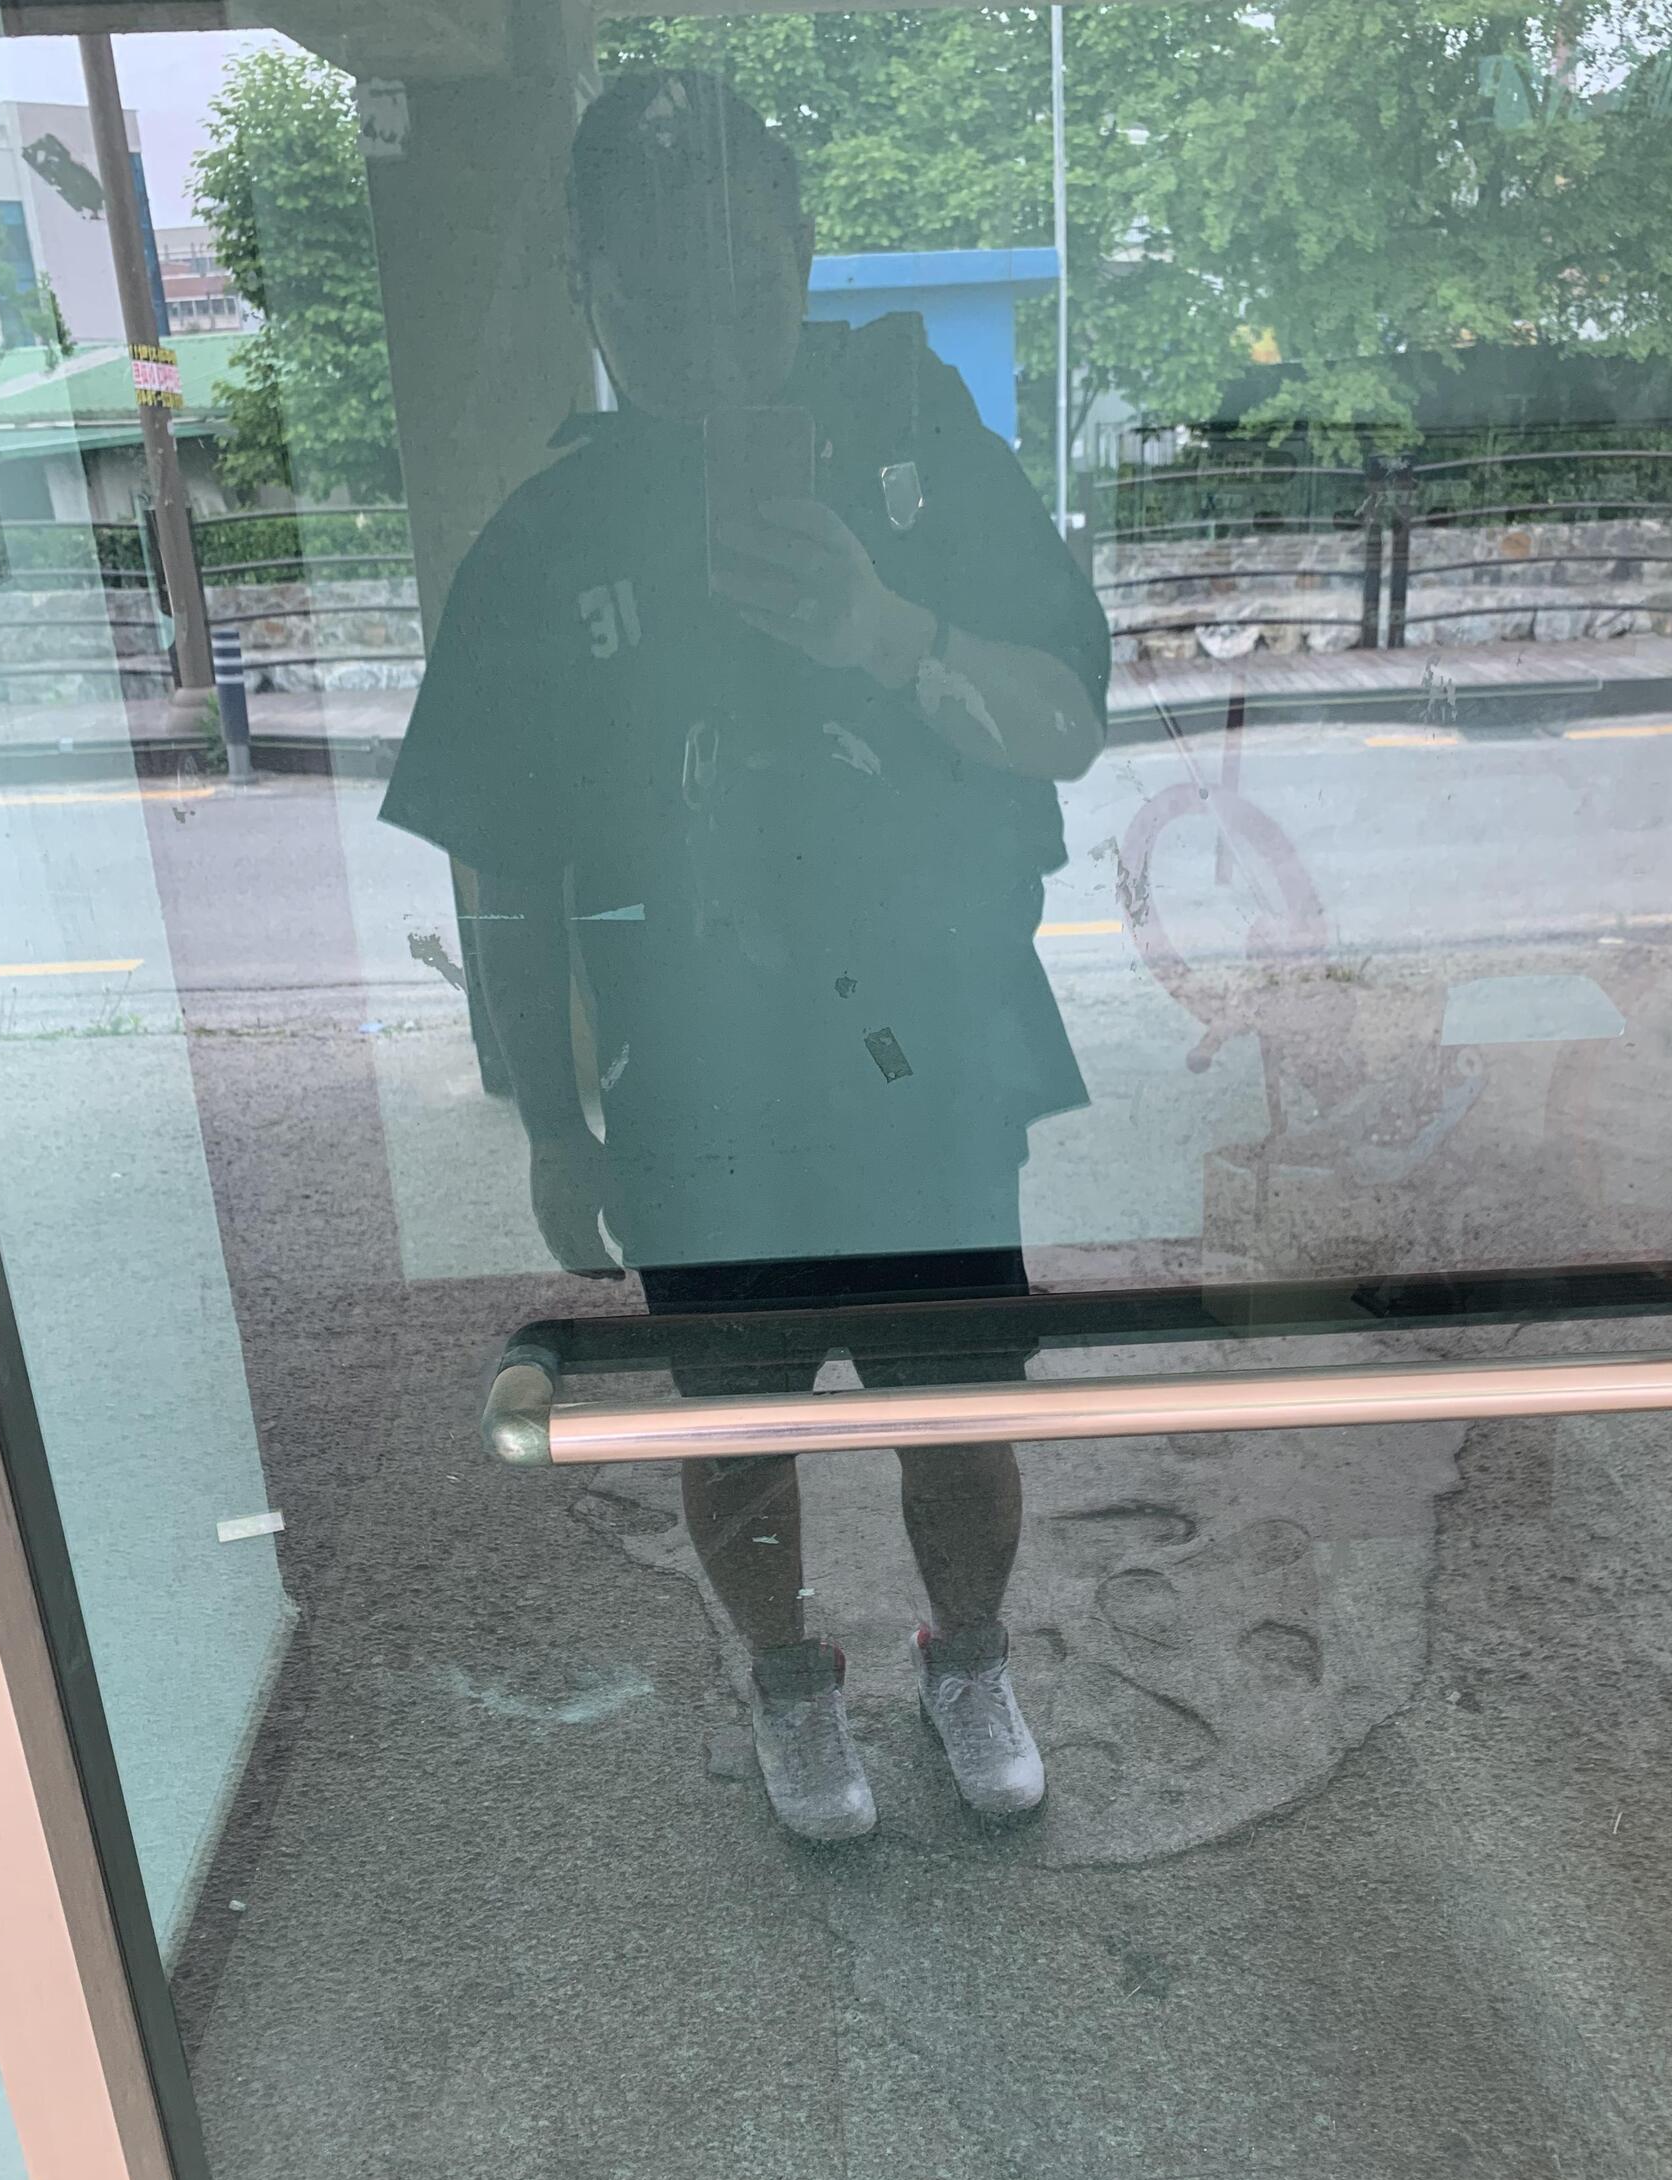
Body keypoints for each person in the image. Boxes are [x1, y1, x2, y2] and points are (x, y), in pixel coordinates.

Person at [382, 67, 1109, 1843]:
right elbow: (506, 871)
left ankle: (970, 1654)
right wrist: (550, 1123)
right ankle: (791, 1680)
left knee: (958, 1403)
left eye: (743, 282)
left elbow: (1069, 720)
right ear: (587, 292)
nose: (706, 338)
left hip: (928, 1043)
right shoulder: (543, 545)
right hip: (694, 1080)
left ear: (803, 249)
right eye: (650, 298)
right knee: (734, 1418)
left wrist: (888, 627)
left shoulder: (921, 446)